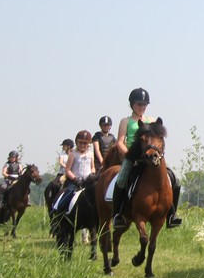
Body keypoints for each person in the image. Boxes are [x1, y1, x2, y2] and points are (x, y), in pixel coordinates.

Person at [111, 88, 183, 230]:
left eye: (144, 105)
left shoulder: (152, 121)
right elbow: (120, 142)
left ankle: (172, 215)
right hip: (134, 157)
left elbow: (158, 140)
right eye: (139, 104)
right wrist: (129, 155)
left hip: (151, 157)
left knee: (175, 179)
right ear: (132, 104)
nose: (142, 107)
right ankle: (117, 214)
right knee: (121, 180)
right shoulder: (126, 121)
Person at [54, 130, 95, 212]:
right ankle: (58, 211)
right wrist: (75, 179)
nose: (82, 145)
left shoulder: (91, 154)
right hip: (75, 182)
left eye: (85, 143)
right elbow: (67, 170)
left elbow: (93, 167)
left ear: (88, 144)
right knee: (68, 194)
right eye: (80, 143)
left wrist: (92, 174)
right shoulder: (73, 154)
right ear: (77, 142)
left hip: (88, 181)